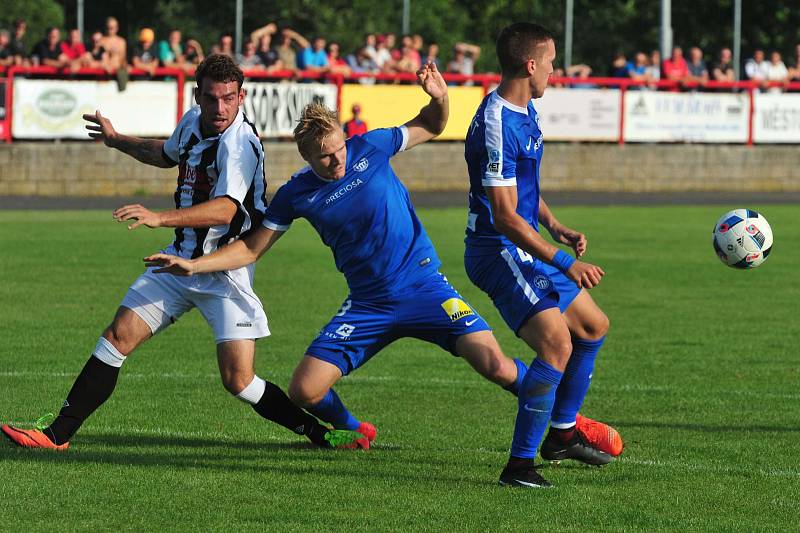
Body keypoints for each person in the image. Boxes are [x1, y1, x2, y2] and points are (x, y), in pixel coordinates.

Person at [144, 63, 544, 456]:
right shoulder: (295, 194)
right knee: (305, 390)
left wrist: (440, 98)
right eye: (324, 157)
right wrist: (195, 265)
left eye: (339, 149)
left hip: (426, 289)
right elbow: (251, 247)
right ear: (306, 156)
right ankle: (354, 433)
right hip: (368, 304)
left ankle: (568, 423)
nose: (337, 161)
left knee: (496, 365)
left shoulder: (371, 146)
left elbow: (432, 124)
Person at [0, 54, 362, 452]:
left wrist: (159, 217)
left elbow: (227, 208)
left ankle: (318, 433)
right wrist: (115, 139)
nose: (220, 108)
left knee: (238, 380)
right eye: (211, 99)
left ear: (241, 97)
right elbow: (165, 154)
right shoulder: (192, 123)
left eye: (229, 99)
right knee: (118, 335)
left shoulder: (240, 145)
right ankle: (56, 435)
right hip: (178, 260)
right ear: (197, 96)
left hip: (225, 271)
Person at [463, 22, 623, 489]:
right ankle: (519, 466)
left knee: (593, 326)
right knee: (556, 344)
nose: (554, 71)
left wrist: (554, 224)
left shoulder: (526, 110)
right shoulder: (496, 123)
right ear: (530, 64)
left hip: (527, 243)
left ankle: (561, 433)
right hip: (498, 251)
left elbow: (523, 193)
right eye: (551, 62)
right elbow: (505, 216)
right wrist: (563, 260)